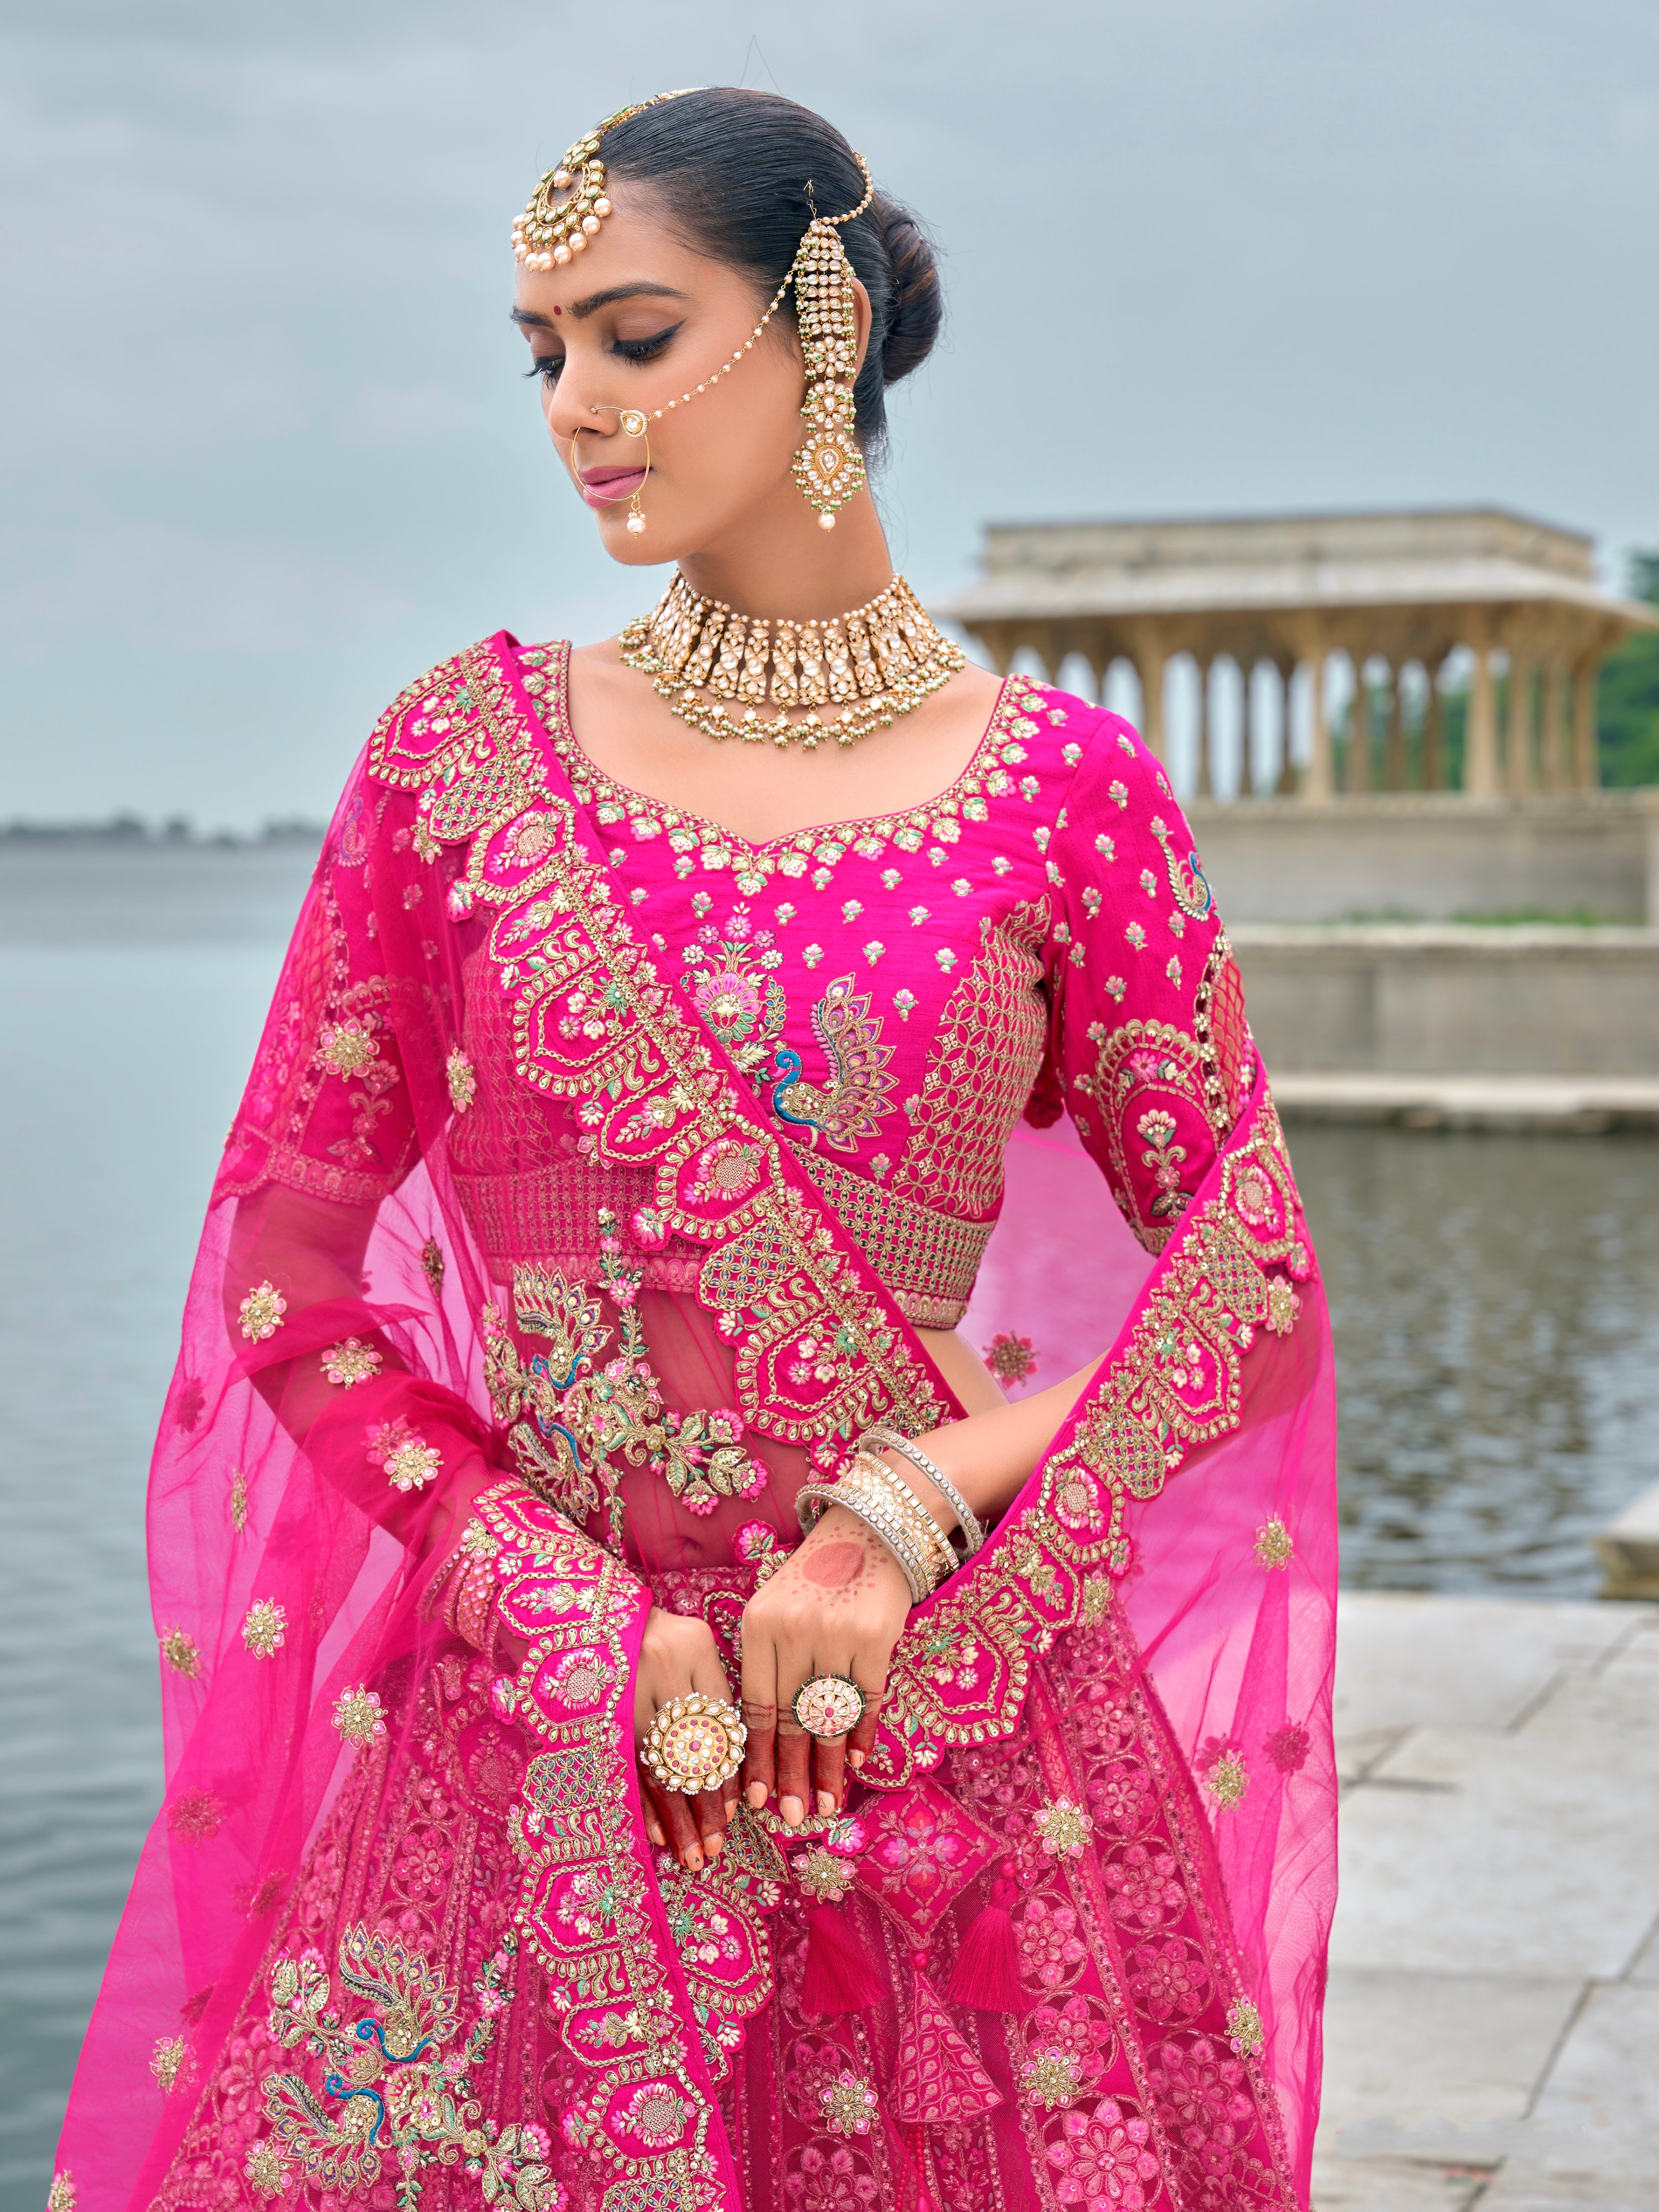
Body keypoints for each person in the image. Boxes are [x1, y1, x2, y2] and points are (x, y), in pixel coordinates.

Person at [50, 86, 1337, 2212]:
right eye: (539, 350)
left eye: (633, 336)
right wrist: (556, 1602)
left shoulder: (1062, 796)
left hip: (949, 1758)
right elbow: (292, 1272)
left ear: (816, 325)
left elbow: (1253, 1289)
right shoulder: (462, 763)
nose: (573, 404)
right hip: (530, 1748)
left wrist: (909, 1508)